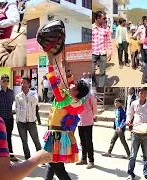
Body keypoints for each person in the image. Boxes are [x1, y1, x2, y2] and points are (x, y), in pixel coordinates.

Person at [44, 52, 90, 180]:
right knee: (52, 163)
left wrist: (50, 62)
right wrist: (67, 68)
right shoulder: (75, 100)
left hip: (56, 135)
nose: (71, 84)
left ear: (76, 92)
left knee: (56, 166)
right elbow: (71, 82)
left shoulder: (63, 98)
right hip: (60, 134)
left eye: (74, 86)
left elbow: (53, 81)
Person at [126, 87, 147, 180]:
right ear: (138, 93)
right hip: (135, 132)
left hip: (146, 133)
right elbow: (130, 115)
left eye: (144, 93)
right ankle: (130, 174)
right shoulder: (134, 103)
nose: (142, 95)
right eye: (141, 93)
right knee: (133, 155)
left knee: (146, 155)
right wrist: (128, 121)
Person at [0, 74, 19, 161]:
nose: (6, 83)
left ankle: (10, 154)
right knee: (1, 137)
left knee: (9, 136)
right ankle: (0, 155)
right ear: (0, 81)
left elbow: (12, 103)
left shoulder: (11, 92)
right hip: (0, 118)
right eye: (4, 81)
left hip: (9, 117)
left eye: (7, 81)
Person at [15, 77, 42, 160]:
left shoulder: (33, 93)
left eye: (24, 83)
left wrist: (27, 94)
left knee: (36, 140)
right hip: (21, 122)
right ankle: (28, 158)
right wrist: (17, 120)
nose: (22, 85)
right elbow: (17, 109)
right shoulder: (18, 96)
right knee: (24, 142)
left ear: (29, 84)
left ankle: (40, 158)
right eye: (21, 83)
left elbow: (35, 102)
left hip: (31, 121)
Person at [76, 91, 97, 169]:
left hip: (88, 121)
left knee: (89, 142)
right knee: (82, 142)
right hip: (80, 122)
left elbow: (94, 108)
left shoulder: (90, 97)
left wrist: (94, 116)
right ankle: (83, 158)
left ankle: (91, 160)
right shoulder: (78, 97)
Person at [92, 11, 113, 87]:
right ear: (98, 18)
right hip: (93, 53)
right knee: (91, 71)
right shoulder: (91, 28)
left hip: (102, 53)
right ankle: (94, 84)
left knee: (102, 72)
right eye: (104, 18)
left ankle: (100, 87)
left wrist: (110, 52)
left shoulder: (106, 28)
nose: (105, 19)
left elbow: (109, 41)